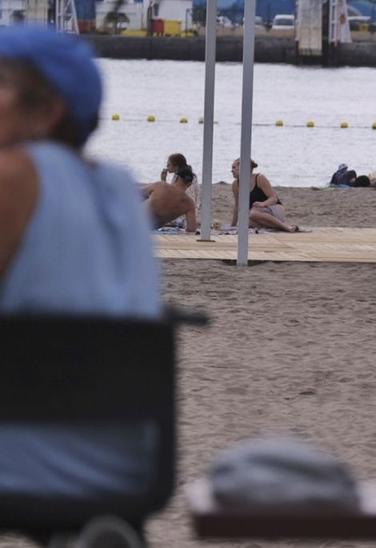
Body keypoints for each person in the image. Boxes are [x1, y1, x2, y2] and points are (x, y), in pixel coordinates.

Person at [0, 25, 161, 520]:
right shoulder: (118, 187)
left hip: (25, 455)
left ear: (47, 112)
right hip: (124, 459)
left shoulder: (13, 177)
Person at [230, 159, 300, 232]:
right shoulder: (235, 185)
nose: (231, 170)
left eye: (234, 167)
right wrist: (233, 225)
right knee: (244, 221)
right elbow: (237, 206)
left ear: (244, 167)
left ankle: (286, 227)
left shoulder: (259, 178)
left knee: (253, 213)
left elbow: (273, 198)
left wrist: (262, 204)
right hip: (256, 215)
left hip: (272, 208)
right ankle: (277, 227)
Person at [143, 165, 197, 231]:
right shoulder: (189, 204)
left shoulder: (160, 186)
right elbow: (191, 229)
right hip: (149, 229)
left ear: (176, 177)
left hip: (133, 222)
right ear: (189, 184)